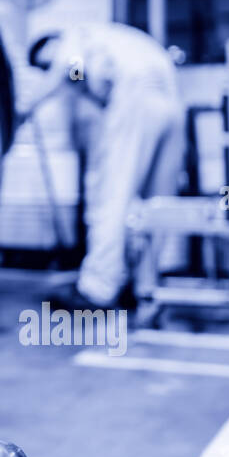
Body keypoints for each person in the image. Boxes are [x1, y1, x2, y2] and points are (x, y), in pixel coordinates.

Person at [22, 23, 184, 308]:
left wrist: (23, 108)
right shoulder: (115, 38)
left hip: (135, 94)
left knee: (112, 194)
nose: (44, 67)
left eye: (43, 62)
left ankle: (98, 287)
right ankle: (145, 287)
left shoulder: (73, 37)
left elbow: (67, 68)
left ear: (52, 43)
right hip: (170, 95)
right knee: (155, 203)